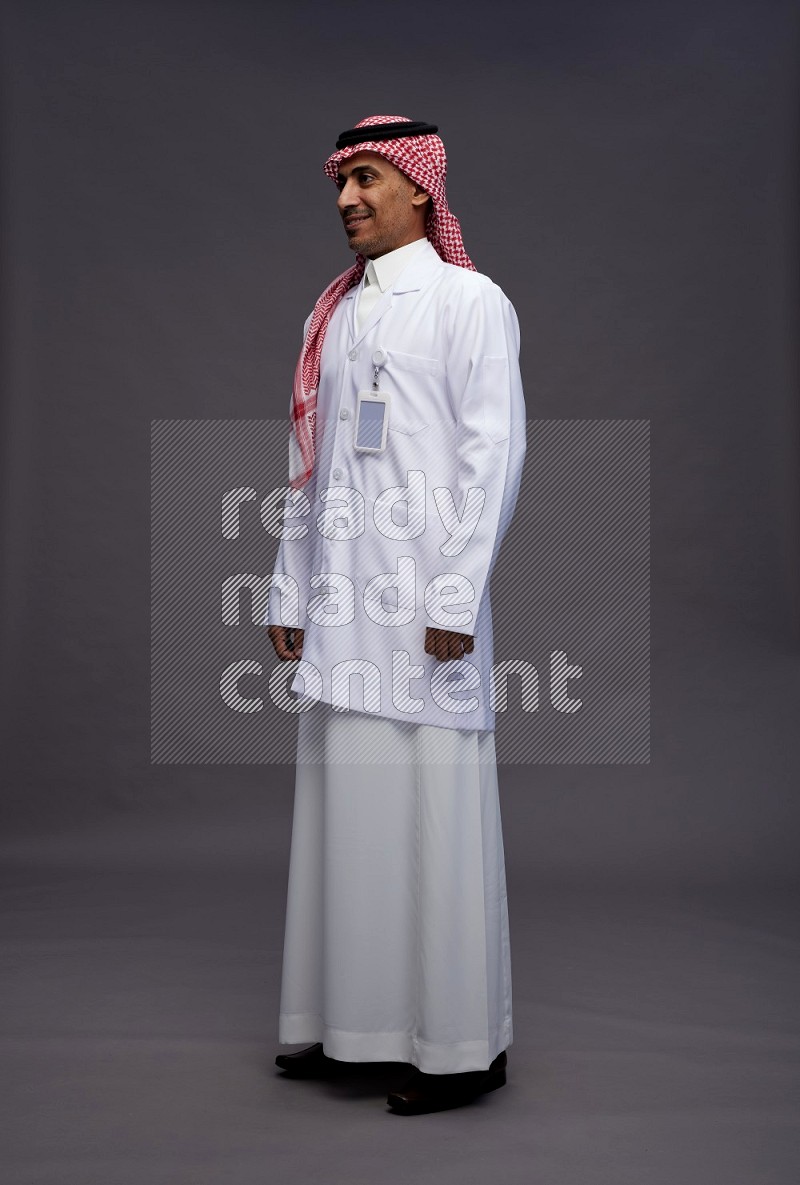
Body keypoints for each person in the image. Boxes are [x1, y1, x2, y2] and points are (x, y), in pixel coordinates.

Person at [266, 115, 527, 1114]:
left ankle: (457, 1048)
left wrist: (456, 595)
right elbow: (308, 470)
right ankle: (350, 1029)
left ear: (421, 190)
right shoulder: (329, 315)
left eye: (366, 181)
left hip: (424, 613)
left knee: (429, 818)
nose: (346, 202)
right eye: (339, 185)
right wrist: (289, 588)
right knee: (350, 817)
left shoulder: (468, 302)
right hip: (342, 607)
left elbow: (491, 456)